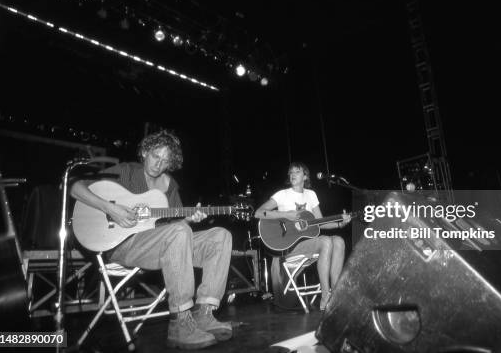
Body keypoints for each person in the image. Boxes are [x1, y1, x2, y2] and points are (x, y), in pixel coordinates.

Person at [70, 130, 232, 350]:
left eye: (165, 161)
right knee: (178, 231)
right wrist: (110, 208)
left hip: (161, 246)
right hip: (121, 244)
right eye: (156, 156)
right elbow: (75, 188)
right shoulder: (126, 171)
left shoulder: (171, 186)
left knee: (220, 236)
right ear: (145, 151)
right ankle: (180, 323)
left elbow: (175, 227)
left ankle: (204, 313)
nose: (159, 164)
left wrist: (189, 218)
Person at [255, 162, 351, 311]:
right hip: (289, 247)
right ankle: (325, 295)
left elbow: (320, 222)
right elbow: (259, 213)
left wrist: (340, 224)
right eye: (290, 172)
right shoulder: (282, 194)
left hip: (309, 243)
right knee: (326, 241)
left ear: (305, 176)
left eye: (297, 172)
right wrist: (286, 214)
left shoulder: (311, 195)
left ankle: (336, 293)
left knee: (339, 241)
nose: (292, 175)